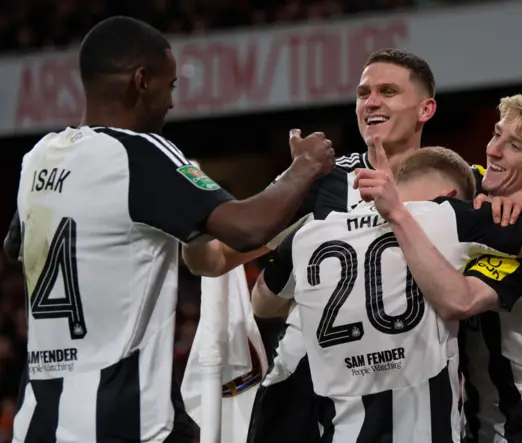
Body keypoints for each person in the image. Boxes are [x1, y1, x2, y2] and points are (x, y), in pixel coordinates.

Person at [180, 49, 522, 442]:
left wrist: (517, 206)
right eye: (363, 93)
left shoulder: (459, 183)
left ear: (426, 109)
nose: (372, 102)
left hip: (425, 400)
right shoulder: (322, 181)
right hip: (310, 391)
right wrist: (196, 217)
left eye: (387, 91)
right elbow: (218, 258)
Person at [3, 16, 334, 443]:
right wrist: (304, 168)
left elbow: (16, 248)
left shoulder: (39, 158)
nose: (172, 102)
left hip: (37, 422)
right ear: (142, 81)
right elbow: (246, 228)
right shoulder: (139, 153)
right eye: (170, 85)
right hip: (121, 422)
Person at [250, 140, 522, 442]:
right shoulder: (449, 217)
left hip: (336, 425)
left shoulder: (310, 234)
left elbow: (262, 302)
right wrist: (518, 210)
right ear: (450, 197)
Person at [377, 93, 522, 442]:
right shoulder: (476, 187)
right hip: (475, 425)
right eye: (497, 134)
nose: (493, 149)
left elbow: (460, 301)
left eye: (513, 146)